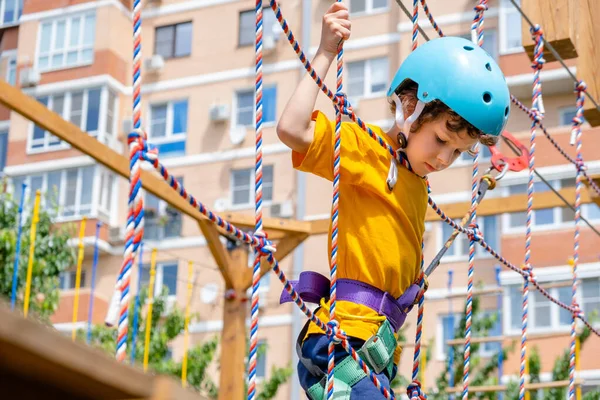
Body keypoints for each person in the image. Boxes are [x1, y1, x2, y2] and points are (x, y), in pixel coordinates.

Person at [276, 2, 510, 398]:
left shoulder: (418, 183)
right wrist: (325, 53)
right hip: (340, 338)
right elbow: (292, 129)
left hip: (375, 351)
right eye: (440, 141)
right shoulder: (367, 149)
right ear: (409, 107)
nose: (442, 158)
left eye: (456, 153)